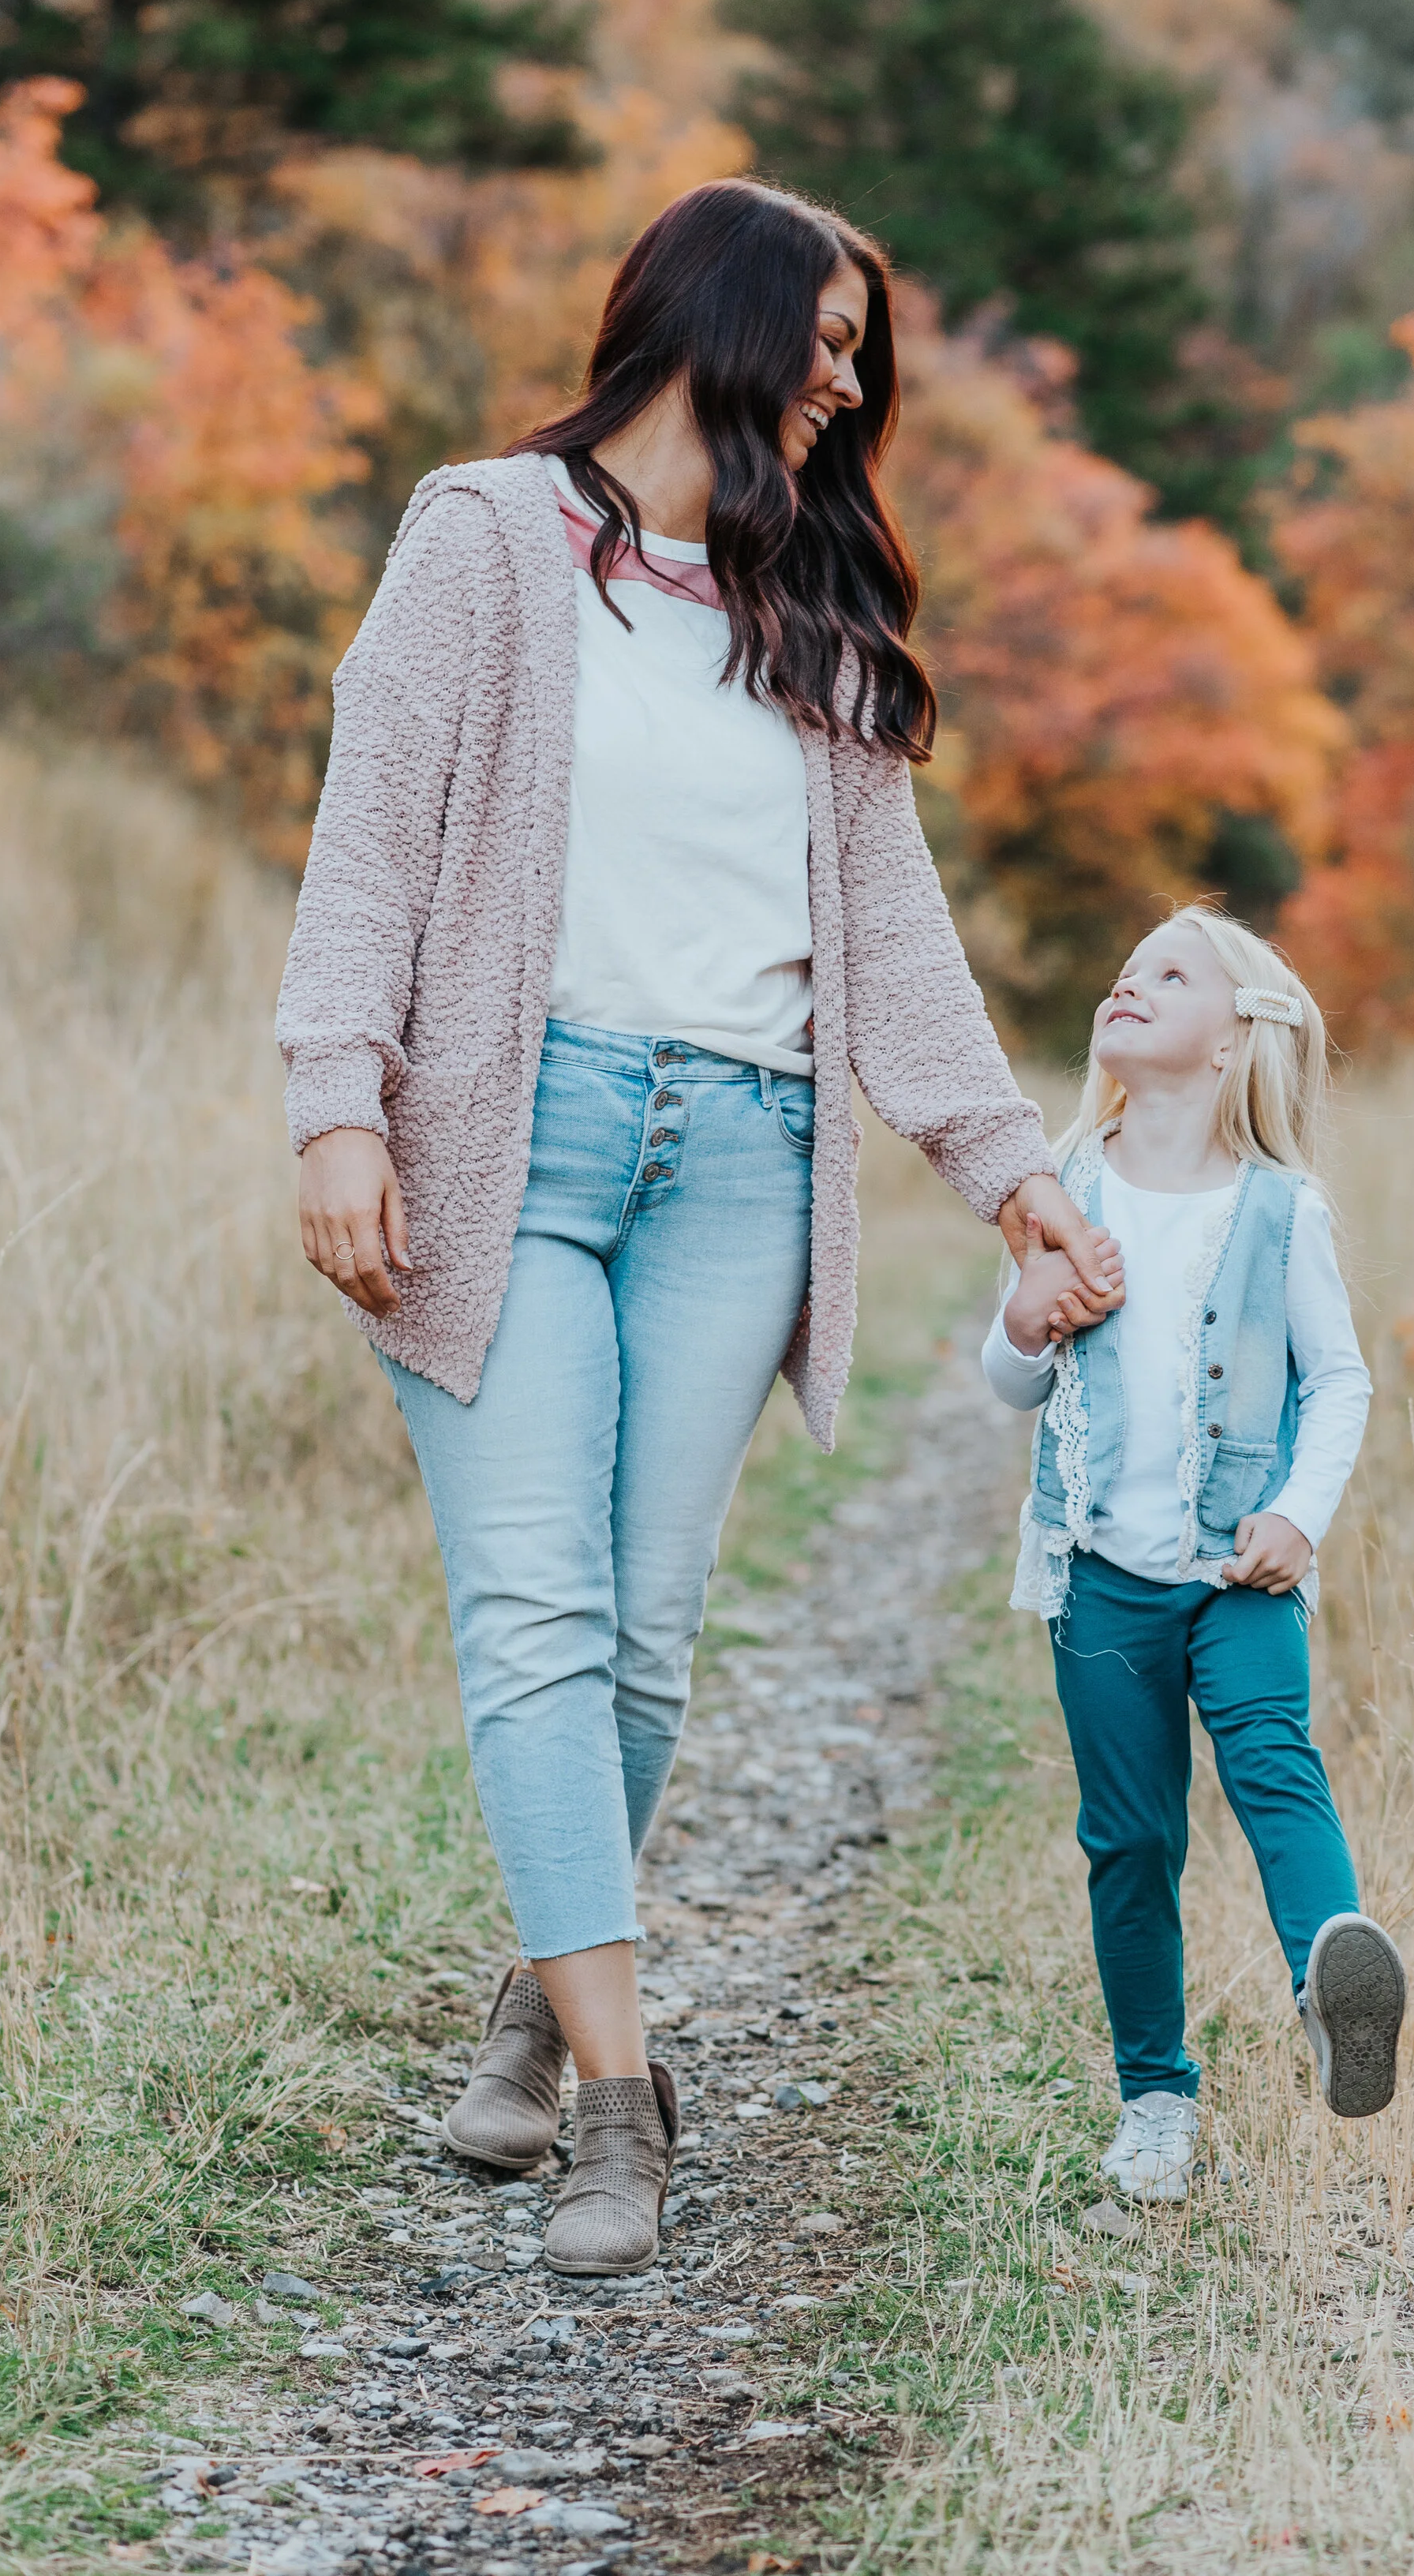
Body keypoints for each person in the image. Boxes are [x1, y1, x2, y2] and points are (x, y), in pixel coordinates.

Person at [276, 178, 1120, 2276]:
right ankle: (627, 2109)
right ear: (709, 322)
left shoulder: (806, 613)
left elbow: (894, 944)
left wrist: (1008, 1169)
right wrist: (330, 1109)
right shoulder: (480, 540)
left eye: (862, 355)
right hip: (512, 1139)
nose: (847, 387)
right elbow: (369, 843)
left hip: (742, 1158)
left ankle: (544, 2005)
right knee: (538, 1617)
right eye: (825, 341)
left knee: (645, 1641)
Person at [982, 904, 1405, 2203]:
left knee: (1275, 1761)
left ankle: (1333, 1975)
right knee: (1130, 1837)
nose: (1131, 980)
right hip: (1099, 1576)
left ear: (1233, 1043)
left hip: (1241, 1571)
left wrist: (1300, 1517)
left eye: (1174, 973)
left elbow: (1340, 1383)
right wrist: (1026, 1317)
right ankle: (1155, 2099)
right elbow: (1002, 1384)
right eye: (1127, 968)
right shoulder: (1065, 1182)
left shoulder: (1281, 1210)